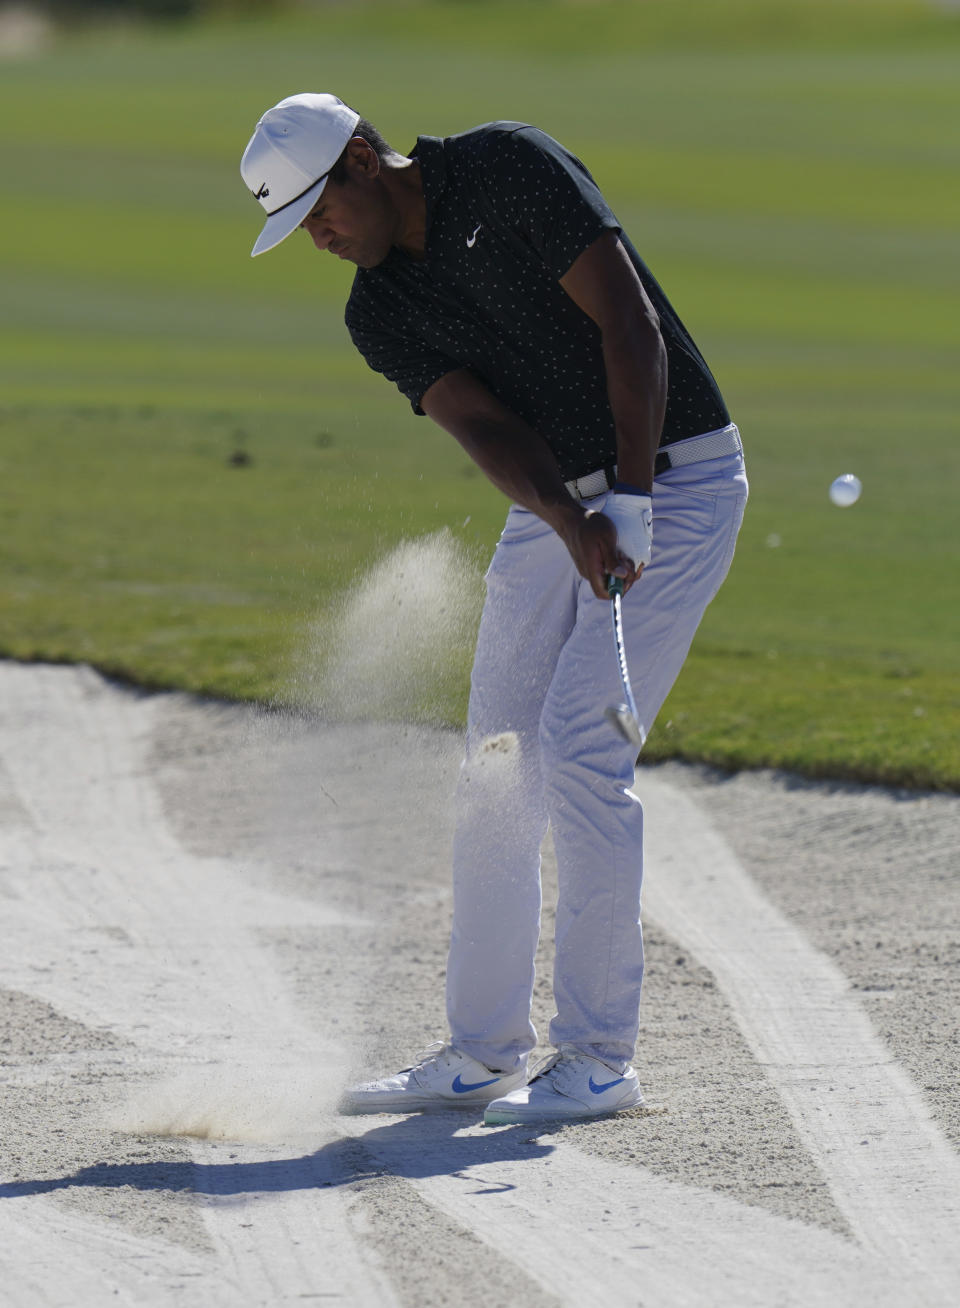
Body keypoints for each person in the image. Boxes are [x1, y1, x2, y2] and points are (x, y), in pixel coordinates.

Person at [240, 93, 748, 1125]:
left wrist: (635, 505)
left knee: (579, 749)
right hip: (561, 503)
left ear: (360, 163)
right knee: (499, 762)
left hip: (681, 479)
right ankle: (482, 1052)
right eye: (297, 229)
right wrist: (571, 519)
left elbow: (630, 326)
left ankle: (599, 1059)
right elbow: (482, 427)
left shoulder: (508, 166)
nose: (317, 238)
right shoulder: (378, 311)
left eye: (318, 211)